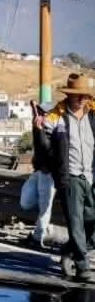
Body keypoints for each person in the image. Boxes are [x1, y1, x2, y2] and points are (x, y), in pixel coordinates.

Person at [41, 74, 95, 281]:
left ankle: (68, 250)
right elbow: (44, 147)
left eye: (85, 95)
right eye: (77, 95)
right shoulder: (56, 117)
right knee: (76, 223)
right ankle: (82, 266)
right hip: (70, 177)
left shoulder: (93, 115)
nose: (82, 99)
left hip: (91, 176)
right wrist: (38, 130)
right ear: (69, 95)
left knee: (91, 225)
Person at [25, 99, 56, 250]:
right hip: (40, 171)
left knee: (45, 206)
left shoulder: (52, 130)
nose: (40, 115)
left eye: (44, 113)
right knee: (27, 201)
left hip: (49, 173)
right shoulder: (38, 125)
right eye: (40, 112)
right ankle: (45, 228)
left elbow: (46, 148)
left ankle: (38, 236)